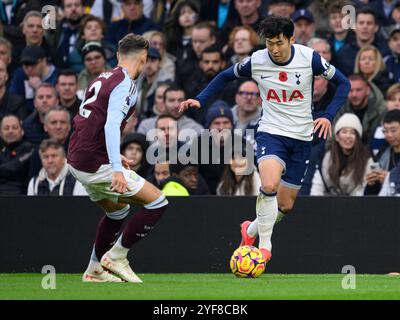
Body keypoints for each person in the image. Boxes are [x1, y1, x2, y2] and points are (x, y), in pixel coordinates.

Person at [180, 15, 350, 262]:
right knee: (269, 185)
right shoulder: (257, 60)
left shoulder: (309, 58)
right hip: (271, 133)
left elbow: (343, 84)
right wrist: (201, 99)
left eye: (279, 43)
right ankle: (265, 248)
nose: (274, 49)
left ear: (291, 39)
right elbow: (225, 76)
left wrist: (327, 116)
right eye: (269, 43)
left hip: (302, 138)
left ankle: (249, 230)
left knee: (286, 206)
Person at [67, 33, 168, 283]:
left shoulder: (104, 77)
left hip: (77, 158)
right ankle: (117, 256)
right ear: (143, 59)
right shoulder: (126, 83)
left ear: (117, 55)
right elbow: (111, 125)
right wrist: (115, 168)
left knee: (118, 212)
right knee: (157, 202)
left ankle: (94, 270)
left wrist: (113, 155)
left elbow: (89, 121)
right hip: (94, 162)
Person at [310, 113, 373, 196]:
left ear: (358, 138)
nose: (348, 136)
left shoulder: (366, 160)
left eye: (352, 133)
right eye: (344, 132)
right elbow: (317, 188)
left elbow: (362, 190)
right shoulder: (326, 158)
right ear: (337, 137)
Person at [334, 73, 386, 148]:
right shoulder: (340, 107)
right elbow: (332, 137)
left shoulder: (381, 109)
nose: (354, 94)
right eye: (350, 90)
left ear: (367, 90)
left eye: (358, 90)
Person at [9, 45, 59, 111]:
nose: (29, 69)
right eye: (26, 65)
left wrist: (39, 87)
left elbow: (59, 104)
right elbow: (12, 99)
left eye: (33, 64)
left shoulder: (58, 76)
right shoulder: (20, 74)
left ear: (44, 61)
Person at [365, 109, 400, 195]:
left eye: (393, 130)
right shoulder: (383, 154)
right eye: (385, 131)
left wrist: (390, 179)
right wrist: (371, 184)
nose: (389, 135)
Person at [0, 114, 34, 195]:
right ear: (0, 133)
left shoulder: (30, 149)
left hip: (21, 197)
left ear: (22, 131)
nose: (10, 131)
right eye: (6, 128)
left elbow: (15, 168)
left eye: (15, 127)